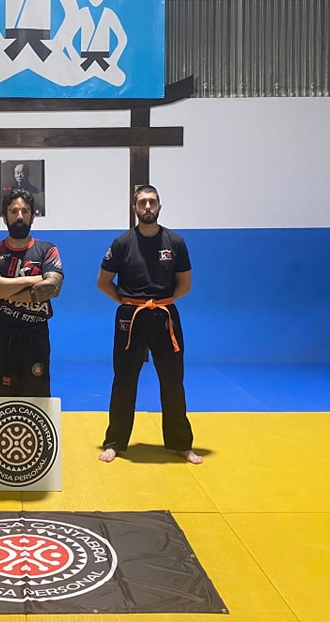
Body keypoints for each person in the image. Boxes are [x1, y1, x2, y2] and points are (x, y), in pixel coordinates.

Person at [96, 185, 203, 464]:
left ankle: (181, 443)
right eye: (142, 202)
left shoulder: (175, 242)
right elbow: (103, 282)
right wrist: (127, 301)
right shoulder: (121, 244)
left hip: (165, 315)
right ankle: (115, 442)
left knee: (173, 380)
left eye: (152, 202)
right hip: (130, 316)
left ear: (159, 207)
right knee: (124, 379)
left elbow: (185, 285)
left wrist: (160, 302)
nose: (147, 207)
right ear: (134, 208)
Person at [0, 189, 63, 397]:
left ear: (32, 217)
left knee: (37, 401)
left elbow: (52, 287)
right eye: (14, 211)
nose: (19, 216)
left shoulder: (47, 250)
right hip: (1, 335)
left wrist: (2, 289)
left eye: (25, 211)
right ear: (4, 217)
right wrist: (33, 279)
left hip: (35, 336)